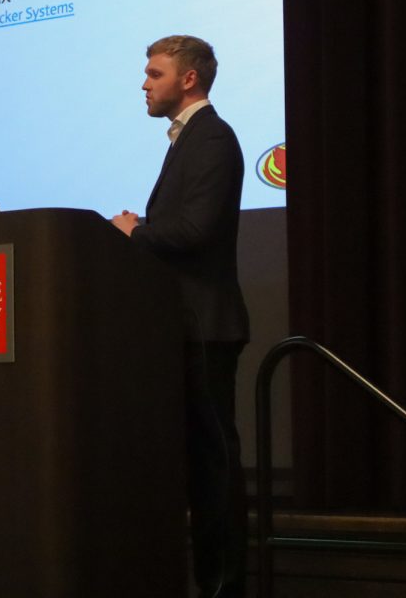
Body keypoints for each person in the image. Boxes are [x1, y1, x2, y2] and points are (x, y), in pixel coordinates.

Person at [110, 35, 249, 598]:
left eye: (154, 72)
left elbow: (196, 232)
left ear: (188, 79)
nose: (144, 83)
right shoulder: (187, 139)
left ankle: (224, 589)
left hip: (206, 328)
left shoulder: (212, 137)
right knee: (199, 470)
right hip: (184, 328)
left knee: (215, 472)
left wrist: (135, 231)